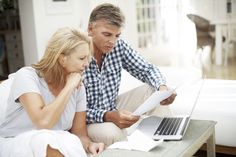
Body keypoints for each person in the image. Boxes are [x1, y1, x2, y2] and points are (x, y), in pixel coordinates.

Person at [0, 27, 105, 157]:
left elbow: (80, 135)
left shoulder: (79, 88)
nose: (86, 64)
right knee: (44, 141)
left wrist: (90, 145)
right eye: (82, 58)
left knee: (68, 141)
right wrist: (69, 86)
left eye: (88, 58)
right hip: (16, 142)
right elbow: (43, 122)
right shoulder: (27, 77)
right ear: (62, 59)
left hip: (55, 141)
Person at [84, 3, 177, 146]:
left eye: (117, 35)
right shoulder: (76, 54)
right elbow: (72, 113)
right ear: (90, 29)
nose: (112, 42)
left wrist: (163, 90)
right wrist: (107, 116)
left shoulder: (118, 46)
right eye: (107, 34)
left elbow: (147, 69)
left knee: (154, 91)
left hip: (111, 107)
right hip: (86, 120)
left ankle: (169, 146)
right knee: (113, 132)